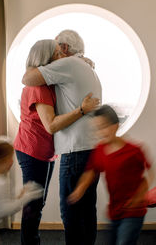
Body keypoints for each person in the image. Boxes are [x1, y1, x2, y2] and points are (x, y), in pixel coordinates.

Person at [14, 39, 100, 245]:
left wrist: (82, 61)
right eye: (57, 53)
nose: (62, 55)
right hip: (33, 149)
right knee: (34, 204)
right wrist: (82, 110)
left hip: (45, 150)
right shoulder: (38, 87)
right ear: (46, 58)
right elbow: (51, 126)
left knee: (39, 202)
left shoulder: (50, 81)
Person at [68, 105, 154, 245]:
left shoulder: (134, 151)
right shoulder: (100, 150)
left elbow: (149, 173)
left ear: (115, 125)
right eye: (96, 129)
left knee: (124, 242)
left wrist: (141, 195)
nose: (100, 132)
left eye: (103, 127)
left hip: (133, 211)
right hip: (114, 210)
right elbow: (91, 171)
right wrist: (80, 188)